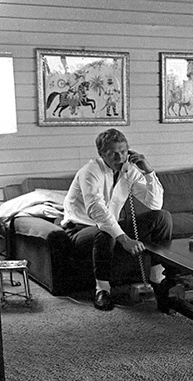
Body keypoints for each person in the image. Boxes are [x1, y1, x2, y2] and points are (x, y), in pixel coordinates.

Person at [61, 128, 172, 311]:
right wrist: (125, 239)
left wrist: (148, 171)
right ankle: (102, 290)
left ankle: (157, 277)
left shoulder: (129, 171)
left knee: (162, 217)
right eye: (113, 153)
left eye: (123, 151)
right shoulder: (90, 171)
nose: (120, 158)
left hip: (109, 226)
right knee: (106, 231)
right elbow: (97, 209)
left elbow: (154, 204)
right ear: (101, 154)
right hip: (81, 229)